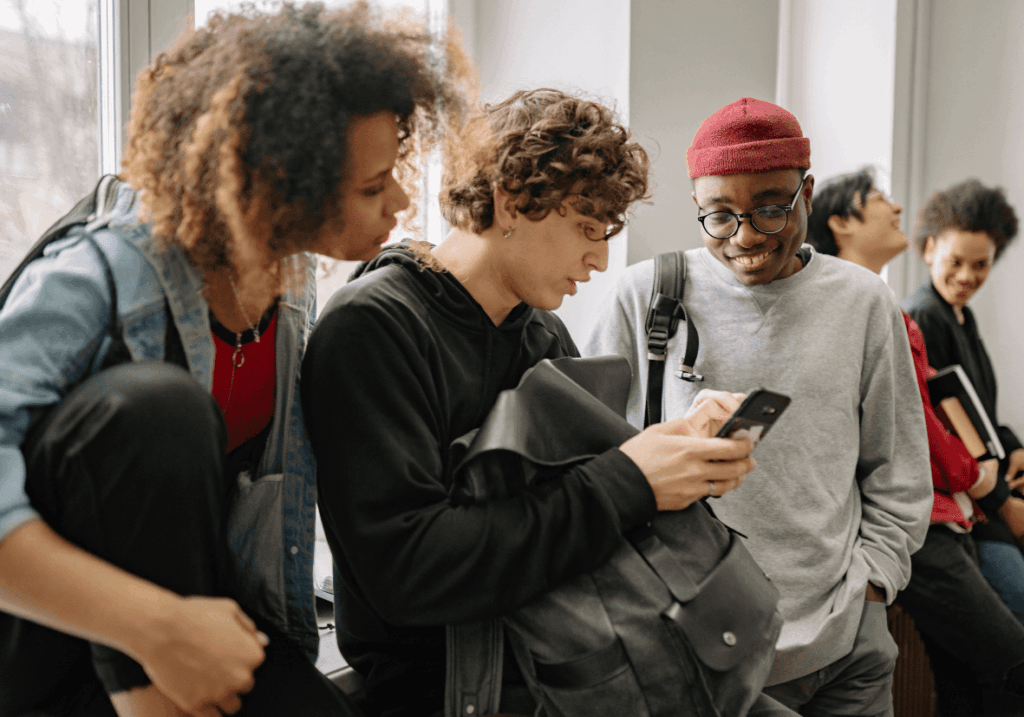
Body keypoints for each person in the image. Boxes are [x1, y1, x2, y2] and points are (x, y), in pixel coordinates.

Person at [0, 3, 468, 716]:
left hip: (197, 611)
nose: (401, 200)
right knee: (155, 408)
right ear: (271, 186)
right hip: (62, 636)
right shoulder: (94, 274)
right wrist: (155, 629)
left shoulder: (285, 278)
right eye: (373, 187)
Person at [301, 88, 767, 717]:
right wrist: (631, 478)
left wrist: (677, 456)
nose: (600, 259)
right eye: (584, 228)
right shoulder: (373, 327)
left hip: (572, 661)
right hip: (457, 689)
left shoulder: (539, 331)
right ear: (509, 202)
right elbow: (410, 572)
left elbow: (578, 507)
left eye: (604, 234)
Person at [583, 98, 932, 716]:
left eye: (771, 209)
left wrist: (873, 588)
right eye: (719, 216)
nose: (745, 238)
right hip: (694, 642)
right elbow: (586, 461)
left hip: (844, 643)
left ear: (809, 194)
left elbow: (897, 466)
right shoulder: (648, 297)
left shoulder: (864, 303)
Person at [808, 168, 1024, 715]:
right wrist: (979, 479)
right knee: (1007, 660)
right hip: (917, 522)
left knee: (969, 680)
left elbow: (951, 410)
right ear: (841, 221)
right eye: (878, 198)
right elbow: (916, 422)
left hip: (940, 514)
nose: (896, 207)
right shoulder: (866, 306)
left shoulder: (883, 304)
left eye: (982, 264)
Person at [902, 180, 1024, 615]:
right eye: (956, 261)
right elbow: (943, 433)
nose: (967, 276)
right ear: (929, 249)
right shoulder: (923, 318)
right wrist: (1005, 504)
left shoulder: (960, 315)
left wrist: (1014, 448)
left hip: (990, 490)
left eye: (981, 264)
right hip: (968, 505)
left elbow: (979, 411)